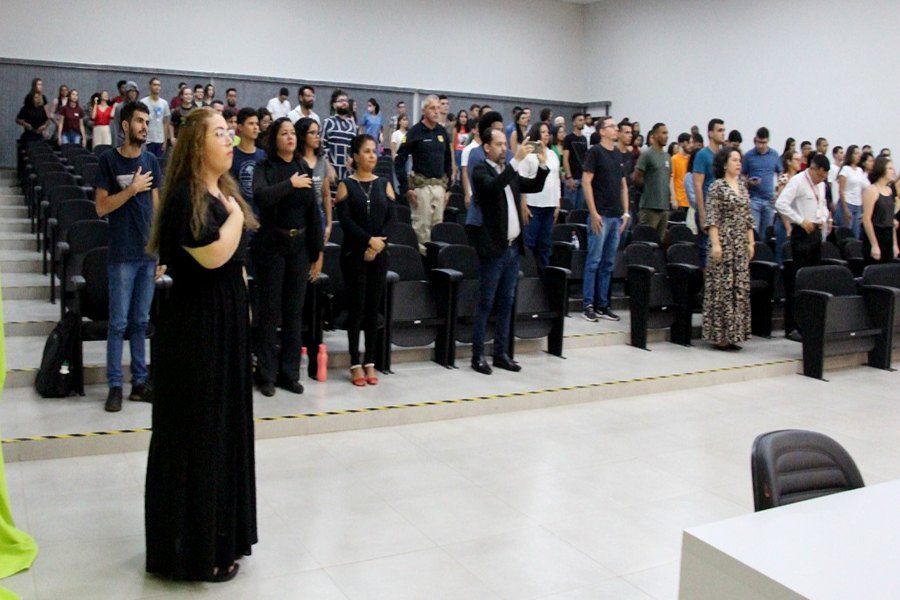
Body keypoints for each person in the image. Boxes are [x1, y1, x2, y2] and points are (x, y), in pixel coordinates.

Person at [145, 107, 259, 583]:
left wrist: (245, 308)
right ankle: (192, 551)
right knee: (198, 434)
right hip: (195, 327)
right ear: (196, 144)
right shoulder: (184, 198)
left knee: (224, 429)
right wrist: (234, 218)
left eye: (230, 133)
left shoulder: (223, 192)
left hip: (226, 322)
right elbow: (214, 254)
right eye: (219, 133)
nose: (229, 140)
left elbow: (237, 265)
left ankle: (221, 537)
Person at [94, 101, 163, 412]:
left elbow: (157, 210)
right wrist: (132, 189)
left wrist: (161, 251)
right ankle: (114, 386)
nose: (145, 126)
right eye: (139, 121)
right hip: (122, 255)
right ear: (125, 125)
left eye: (147, 122)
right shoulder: (108, 161)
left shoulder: (151, 161)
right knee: (118, 323)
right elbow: (101, 207)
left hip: (147, 255)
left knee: (140, 322)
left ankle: (138, 383)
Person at [251, 117, 324, 396]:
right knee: (270, 312)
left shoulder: (302, 166)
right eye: (284, 133)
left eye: (293, 133)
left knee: (294, 312)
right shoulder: (265, 167)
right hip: (272, 244)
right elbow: (261, 197)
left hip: (299, 246)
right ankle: (266, 374)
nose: (290, 137)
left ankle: (289, 373)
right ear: (275, 139)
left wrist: (317, 251)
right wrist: (290, 184)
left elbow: (313, 212)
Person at [470, 123, 549, 375]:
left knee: (507, 302)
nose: (504, 148)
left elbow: (533, 186)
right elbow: (493, 188)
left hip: (513, 249)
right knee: (486, 302)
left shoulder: (508, 171)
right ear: (486, 147)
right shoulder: (480, 170)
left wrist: (542, 166)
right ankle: (477, 355)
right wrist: (516, 161)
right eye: (499, 144)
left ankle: (501, 353)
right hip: (493, 249)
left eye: (505, 144)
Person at [335, 134, 395, 386]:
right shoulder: (346, 185)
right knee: (357, 307)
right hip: (354, 254)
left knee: (373, 308)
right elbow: (346, 222)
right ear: (355, 156)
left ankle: (370, 360)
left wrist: (378, 244)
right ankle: (354, 361)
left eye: (374, 151)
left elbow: (392, 218)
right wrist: (368, 241)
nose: (372, 156)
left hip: (380, 253)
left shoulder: (384, 184)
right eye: (367, 151)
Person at [775, 153, 831, 341]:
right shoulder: (798, 181)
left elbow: (823, 204)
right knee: (798, 281)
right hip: (801, 233)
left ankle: (809, 322)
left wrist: (823, 217)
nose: (821, 179)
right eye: (820, 175)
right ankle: (792, 326)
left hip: (816, 232)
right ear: (812, 169)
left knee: (813, 280)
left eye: (824, 177)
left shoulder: (821, 185)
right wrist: (799, 220)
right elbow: (781, 204)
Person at [703, 147, 754, 350]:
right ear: (725, 164)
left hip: (740, 243)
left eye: (740, 160)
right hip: (724, 241)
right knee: (722, 288)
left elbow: (748, 217)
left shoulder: (742, 186)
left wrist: (751, 242)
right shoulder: (717, 187)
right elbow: (713, 217)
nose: (738, 163)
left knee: (738, 289)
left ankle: (734, 334)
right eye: (734, 160)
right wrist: (716, 243)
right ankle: (720, 335)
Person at [582, 116, 629, 323]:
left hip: (616, 216)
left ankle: (603, 304)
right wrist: (593, 212)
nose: (616, 129)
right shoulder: (595, 152)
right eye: (612, 126)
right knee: (594, 261)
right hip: (600, 215)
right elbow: (586, 182)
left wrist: (625, 212)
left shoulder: (617, 153)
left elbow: (623, 185)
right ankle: (588, 304)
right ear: (602, 131)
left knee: (608, 263)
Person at [393, 94, 452, 253]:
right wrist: (405, 188)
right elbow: (400, 160)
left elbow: (448, 160)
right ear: (424, 110)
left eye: (438, 108)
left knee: (437, 229)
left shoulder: (442, 132)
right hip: (421, 187)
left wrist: (449, 188)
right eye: (432, 108)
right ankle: (422, 262)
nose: (436, 111)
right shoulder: (415, 132)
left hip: (439, 187)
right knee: (422, 230)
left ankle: (436, 262)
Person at [520, 122, 561, 267]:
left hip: (550, 204)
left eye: (547, 132)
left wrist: (558, 203)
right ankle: (527, 272)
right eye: (543, 132)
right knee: (529, 242)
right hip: (533, 204)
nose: (546, 135)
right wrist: (523, 204)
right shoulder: (528, 154)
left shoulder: (552, 154)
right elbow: (522, 179)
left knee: (545, 243)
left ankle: (543, 273)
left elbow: (556, 180)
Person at [693, 118, 726, 264]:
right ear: (710, 133)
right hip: (707, 207)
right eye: (719, 130)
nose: (723, 133)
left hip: (720, 210)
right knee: (706, 252)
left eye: (724, 130)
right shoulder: (702, 155)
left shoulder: (722, 156)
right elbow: (698, 185)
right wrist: (702, 214)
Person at [296, 117, 335, 242]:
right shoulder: (295, 161)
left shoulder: (321, 161)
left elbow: (326, 194)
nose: (317, 136)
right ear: (302, 135)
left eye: (318, 133)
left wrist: (329, 224)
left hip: (318, 214)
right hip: (299, 215)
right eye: (312, 133)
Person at [741, 127, 782, 241]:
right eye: (758, 142)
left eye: (763, 143)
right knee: (753, 233)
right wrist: (748, 182)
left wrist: (778, 192)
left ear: (767, 141)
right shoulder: (749, 156)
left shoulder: (774, 155)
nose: (760, 146)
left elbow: (781, 173)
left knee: (766, 235)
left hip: (769, 200)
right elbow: (742, 175)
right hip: (754, 199)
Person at [634, 122, 674, 238]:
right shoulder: (647, 155)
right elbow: (637, 178)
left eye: (667, 133)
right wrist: (649, 189)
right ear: (655, 135)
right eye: (663, 133)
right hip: (650, 207)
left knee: (659, 241)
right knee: (646, 241)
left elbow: (667, 178)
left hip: (664, 206)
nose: (666, 136)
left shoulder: (667, 156)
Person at [861, 156, 899, 264]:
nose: (893, 171)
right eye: (890, 168)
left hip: (888, 235)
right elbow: (866, 219)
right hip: (876, 233)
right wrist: (874, 245)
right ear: (881, 170)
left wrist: (895, 244)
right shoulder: (871, 190)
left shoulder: (889, 190)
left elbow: (890, 220)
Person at [230, 108, 266, 216]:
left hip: (261, 214)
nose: (255, 127)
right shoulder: (231, 155)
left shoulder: (264, 155)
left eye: (257, 124)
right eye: (251, 123)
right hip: (239, 213)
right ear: (240, 127)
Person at [322, 89, 357, 196]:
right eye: (341, 100)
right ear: (334, 105)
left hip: (348, 173)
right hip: (332, 172)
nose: (344, 103)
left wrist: (353, 161)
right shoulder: (328, 122)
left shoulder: (353, 125)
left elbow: (355, 147)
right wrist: (328, 167)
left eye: (346, 100)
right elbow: (322, 147)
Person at [773, 150, 802, 265]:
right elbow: (781, 204)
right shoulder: (784, 178)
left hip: (796, 220)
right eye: (796, 159)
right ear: (789, 162)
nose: (799, 162)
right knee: (782, 253)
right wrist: (788, 226)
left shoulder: (800, 179)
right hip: (784, 221)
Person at [837, 145, 867, 238]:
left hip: (857, 205)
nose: (858, 156)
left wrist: (863, 208)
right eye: (856, 153)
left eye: (859, 154)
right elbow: (841, 190)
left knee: (856, 234)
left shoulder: (860, 170)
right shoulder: (846, 169)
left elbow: (861, 189)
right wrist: (845, 209)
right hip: (848, 202)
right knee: (847, 234)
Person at [141, 78, 172, 158]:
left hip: (160, 140)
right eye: (155, 85)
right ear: (150, 86)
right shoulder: (143, 102)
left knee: (158, 162)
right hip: (147, 140)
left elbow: (165, 123)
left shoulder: (164, 103)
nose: (157, 87)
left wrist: (165, 141)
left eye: (159, 85)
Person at [563, 113, 588, 209]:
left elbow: (585, 157)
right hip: (572, 178)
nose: (582, 122)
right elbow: (565, 158)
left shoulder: (584, 139)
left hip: (582, 177)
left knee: (580, 208)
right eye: (580, 120)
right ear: (574, 123)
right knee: (570, 208)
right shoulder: (568, 138)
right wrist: (569, 177)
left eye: (583, 120)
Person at [671, 132, 691, 222]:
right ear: (682, 143)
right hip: (679, 200)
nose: (691, 145)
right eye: (689, 143)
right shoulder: (674, 159)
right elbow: (671, 178)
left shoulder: (691, 159)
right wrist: (673, 198)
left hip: (690, 200)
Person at [112, 81, 140, 146]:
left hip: (136, 141)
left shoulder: (139, 108)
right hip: (122, 140)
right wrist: (115, 145)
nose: (133, 94)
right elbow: (116, 127)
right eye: (131, 91)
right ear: (127, 93)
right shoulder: (119, 108)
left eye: (135, 92)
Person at [828, 146, 845, 225]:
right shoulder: (831, 168)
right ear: (835, 155)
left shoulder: (843, 169)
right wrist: (831, 200)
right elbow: (830, 184)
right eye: (840, 153)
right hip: (835, 199)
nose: (843, 154)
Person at [452, 109, 470, 182]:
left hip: (466, 152)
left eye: (465, 117)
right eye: (461, 117)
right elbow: (453, 143)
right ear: (458, 118)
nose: (463, 119)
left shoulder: (469, 130)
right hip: (458, 152)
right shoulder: (455, 129)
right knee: (458, 174)